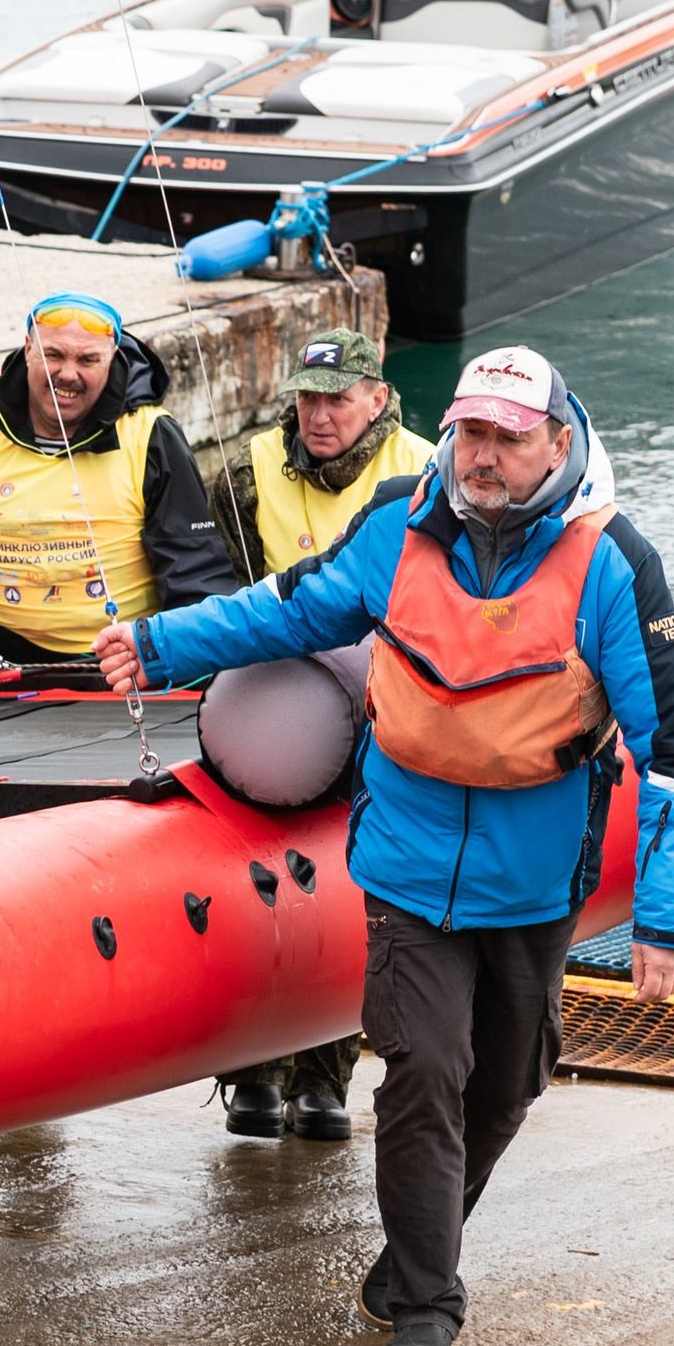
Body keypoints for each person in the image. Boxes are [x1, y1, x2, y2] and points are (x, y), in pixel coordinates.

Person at [92, 344, 674, 1346]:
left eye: (508, 439)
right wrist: (155, 644)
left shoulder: (612, 562)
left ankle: (410, 1253)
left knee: (507, 1083)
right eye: (469, 432)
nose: (482, 456)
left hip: (533, 878)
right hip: (407, 867)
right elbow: (290, 606)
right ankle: (428, 1303)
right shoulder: (398, 523)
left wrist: (663, 918)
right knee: (424, 1072)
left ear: (557, 443)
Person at [209, 327, 437, 1143]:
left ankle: (324, 1076)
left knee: (351, 889)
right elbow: (224, 592)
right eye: (308, 398)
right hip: (277, 700)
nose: (320, 415)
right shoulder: (246, 474)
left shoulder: (426, 470)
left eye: (339, 398)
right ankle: (249, 1076)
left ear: (377, 399)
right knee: (253, 876)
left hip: (391, 705)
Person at [0, 293, 239, 668]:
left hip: (118, 663)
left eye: (87, 360)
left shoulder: (152, 435)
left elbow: (195, 572)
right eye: (54, 355)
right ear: (28, 348)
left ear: (113, 357)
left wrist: (193, 665)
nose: (68, 374)